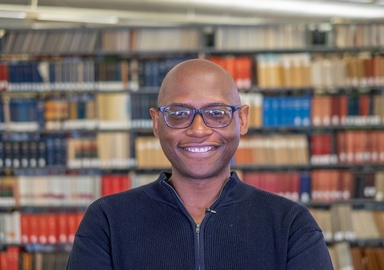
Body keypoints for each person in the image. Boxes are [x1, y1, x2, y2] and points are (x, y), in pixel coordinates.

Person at [66, 59, 333, 270]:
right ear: (157, 123)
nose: (198, 130)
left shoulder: (291, 225)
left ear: (242, 120)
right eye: (179, 114)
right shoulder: (107, 221)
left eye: (217, 113)